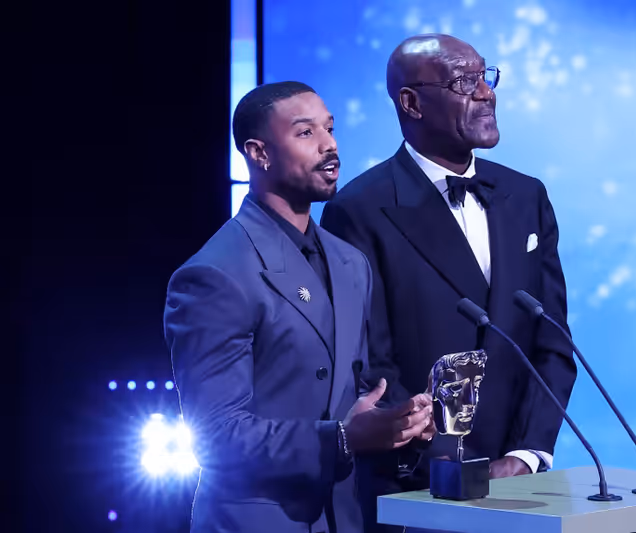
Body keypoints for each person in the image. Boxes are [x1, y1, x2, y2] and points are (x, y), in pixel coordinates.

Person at [321, 35, 577, 532]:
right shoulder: (360, 210)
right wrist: (446, 462)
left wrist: (526, 455)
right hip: (418, 490)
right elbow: (371, 362)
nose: (486, 92)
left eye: (486, 76)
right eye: (464, 82)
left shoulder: (526, 196)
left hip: (520, 490)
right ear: (411, 103)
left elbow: (551, 341)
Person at [164, 81, 432, 533]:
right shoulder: (215, 274)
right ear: (259, 153)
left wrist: (399, 424)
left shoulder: (350, 262)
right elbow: (216, 437)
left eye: (330, 129)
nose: (329, 145)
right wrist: (342, 439)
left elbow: (351, 392)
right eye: (306, 132)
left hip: (344, 519)